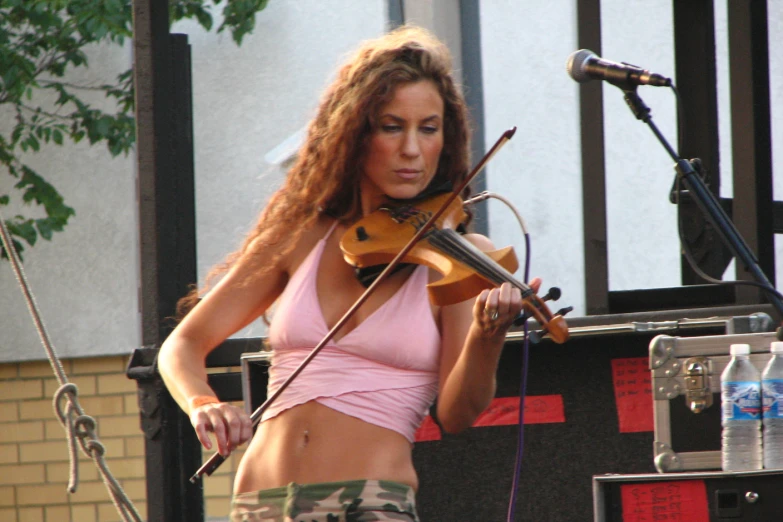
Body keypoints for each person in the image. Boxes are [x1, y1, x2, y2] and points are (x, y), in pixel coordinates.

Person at [158, 25, 539, 521]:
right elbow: (182, 345)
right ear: (355, 133)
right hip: (260, 504)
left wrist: (488, 337)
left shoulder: (462, 255)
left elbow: (457, 413)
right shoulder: (303, 234)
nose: (411, 149)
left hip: (370, 503)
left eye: (428, 128)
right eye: (390, 126)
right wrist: (202, 401)